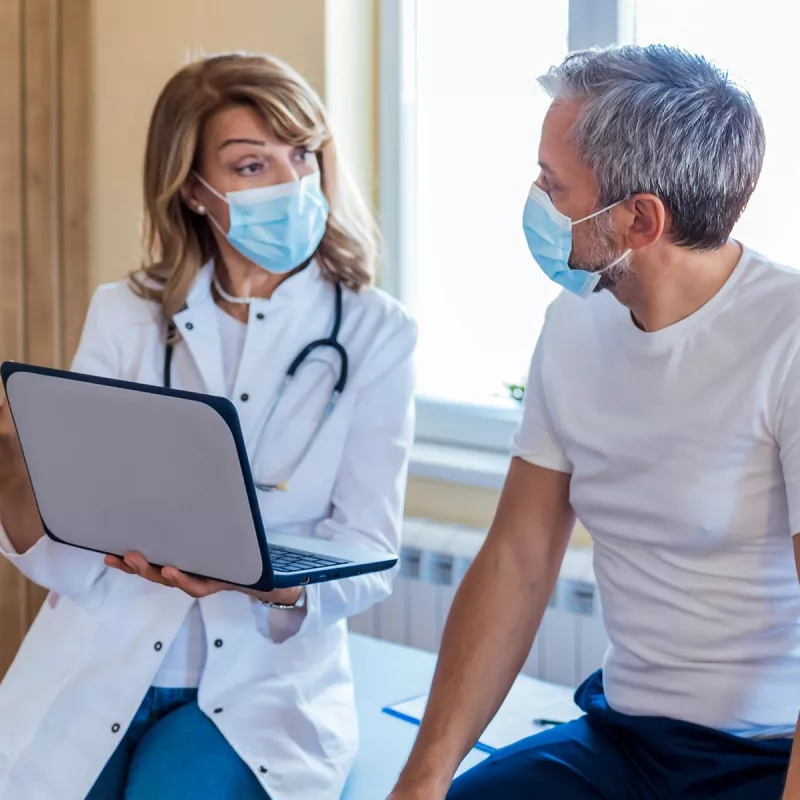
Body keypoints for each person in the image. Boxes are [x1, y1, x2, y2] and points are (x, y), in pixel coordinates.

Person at [0, 53, 416, 800]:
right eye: (252, 165)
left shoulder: (376, 331)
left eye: (303, 156)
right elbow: (62, 550)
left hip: (261, 689)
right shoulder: (125, 311)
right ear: (194, 190)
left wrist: (267, 585)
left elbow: (371, 552)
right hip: (104, 652)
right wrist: (11, 464)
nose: (291, 184)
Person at [389, 44, 800, 800]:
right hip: (625, 740)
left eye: (554, 184)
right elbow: (517, 560)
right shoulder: (574, 326)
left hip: (770, 756)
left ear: (640, 218)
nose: (534, 199)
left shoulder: (789, 337)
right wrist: (422, 780)